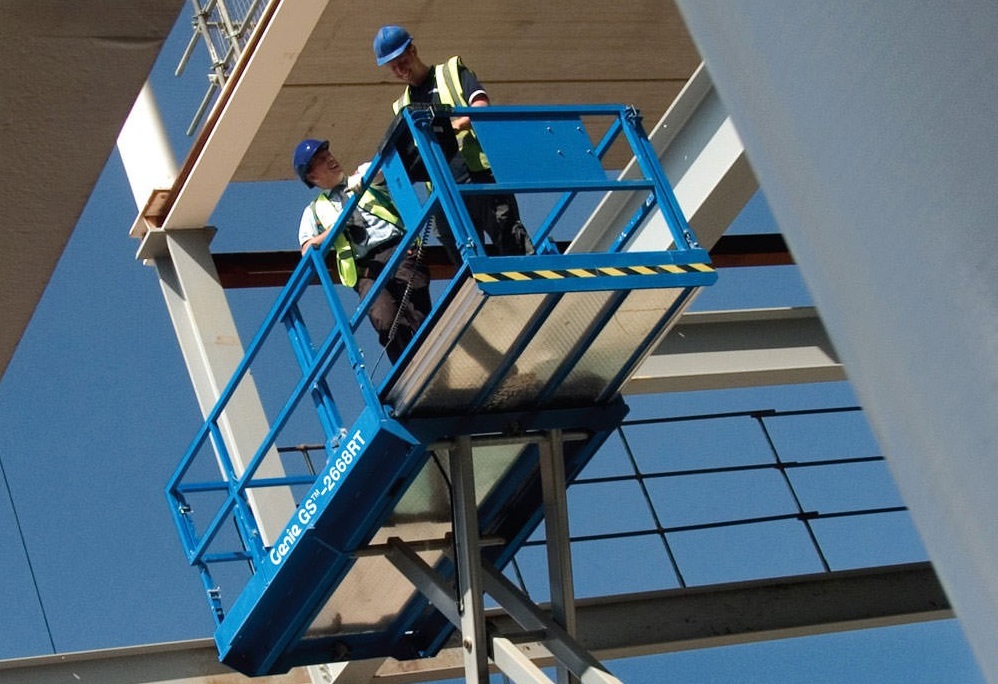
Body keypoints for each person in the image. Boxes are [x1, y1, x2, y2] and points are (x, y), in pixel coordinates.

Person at [372, 25, 535, 263]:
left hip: (478, 176)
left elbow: (480, 106)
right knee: (465, 261)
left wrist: (454, 126)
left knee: (509, 240)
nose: (400, 70)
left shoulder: (450, 73)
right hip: (444, 190)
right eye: (393, 67)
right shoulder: (402, 106)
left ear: (413, 50)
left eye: (402, 61)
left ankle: (530, 280)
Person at [293, 138, 431, 363]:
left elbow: (380, 172)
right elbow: (307, 250)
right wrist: (334, 229)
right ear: (312, 176)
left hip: (398, 250)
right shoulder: (314, 210)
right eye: (321, 160)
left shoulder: (362, 176)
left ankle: (432, 357)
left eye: (328, 154)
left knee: (415, 308)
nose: (330, 159)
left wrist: (364, 179)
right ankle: (407, 370)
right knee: (384, 320)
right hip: (367, 270)